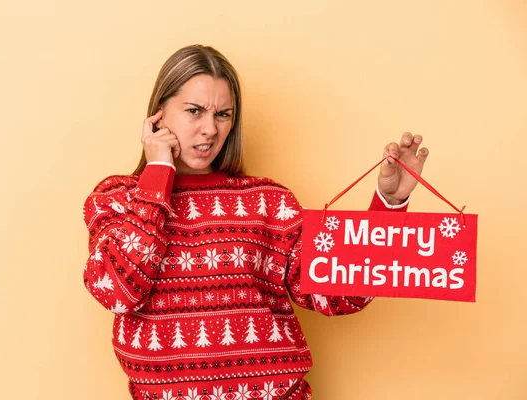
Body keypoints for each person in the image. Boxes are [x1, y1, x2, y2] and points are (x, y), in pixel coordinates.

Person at [82, 45, 429, 399]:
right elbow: (116, 291)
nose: (210, 130)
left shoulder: (268, 201)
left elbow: (339, 293)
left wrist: (390, 205)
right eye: (194, 111)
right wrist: (157, 175)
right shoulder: (118, 198)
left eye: (223, 115)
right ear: (158, 115)